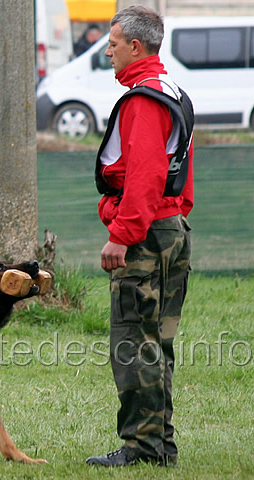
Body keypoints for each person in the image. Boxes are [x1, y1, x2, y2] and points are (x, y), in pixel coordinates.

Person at [86, 5, 194, 467]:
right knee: (159, 341)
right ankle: (160, 445)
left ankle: (143, 448)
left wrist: (121, 234)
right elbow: (179, 177)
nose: (107, 51)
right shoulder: (172, 91)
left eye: (112, 44)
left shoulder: (143, 101)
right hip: (173, 231)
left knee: (134, 343)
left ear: (136, 46)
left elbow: (146, 176)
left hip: (145, 238)